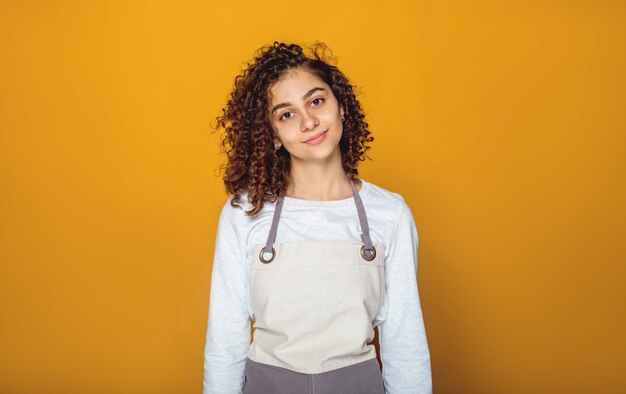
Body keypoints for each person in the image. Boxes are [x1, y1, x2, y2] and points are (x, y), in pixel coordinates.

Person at [203, 41, 432, 394]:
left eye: (316, 101)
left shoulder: (390, 213)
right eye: (286, 114)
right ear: (274, 136)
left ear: (341, 106)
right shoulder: (244, 213)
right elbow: (225, 340)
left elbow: (404, 340)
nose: (309, 121)